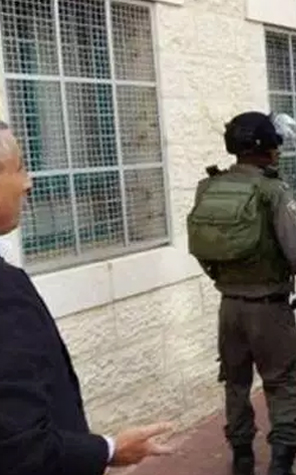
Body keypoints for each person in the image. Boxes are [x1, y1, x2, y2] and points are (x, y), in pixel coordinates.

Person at [0, 120, 175, 474]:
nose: (28, 183)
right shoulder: (6, 294)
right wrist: (108, 449)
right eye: (19, 168)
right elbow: (22, 449)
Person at [186, 111, 296, 475]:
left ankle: (242, 457)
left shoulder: (209, 187)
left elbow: (201, 246)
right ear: (264, 148)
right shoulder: (271, 190)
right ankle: (281, 462)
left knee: (235, 384)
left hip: (229, 307)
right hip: (269, 309)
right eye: (276, 145)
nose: (279, 151)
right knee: (283, 383)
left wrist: (223, 279)